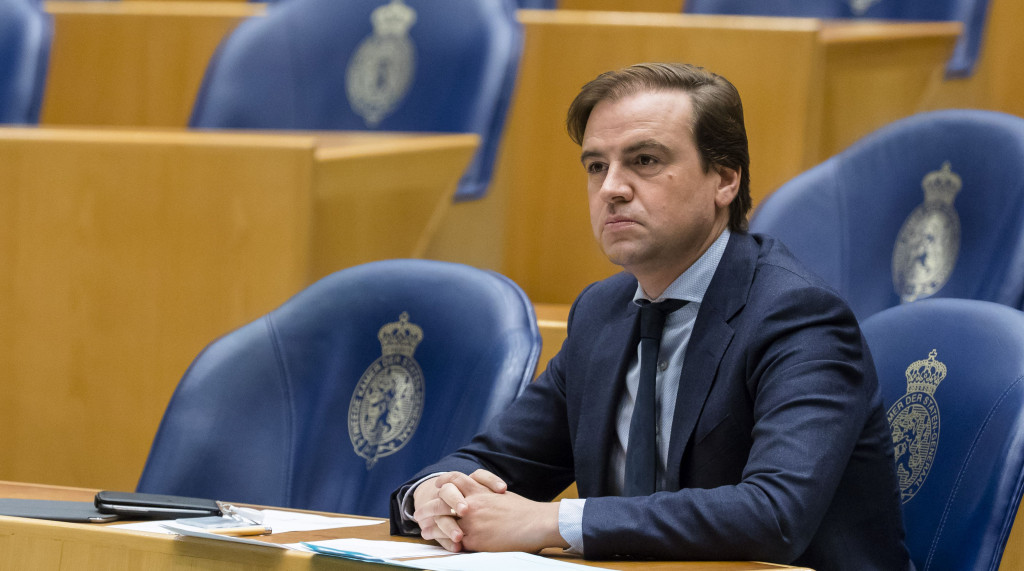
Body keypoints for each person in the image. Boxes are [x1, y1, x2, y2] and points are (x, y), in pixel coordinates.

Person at [389, 62, 912, 569]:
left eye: (644, 160)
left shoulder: (799, 317)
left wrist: (553, 521)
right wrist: (434, 495)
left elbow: (774, 514)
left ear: (725, 180)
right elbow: (499, 462)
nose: (611, 189)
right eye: (596, 166)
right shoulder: (602, 312)